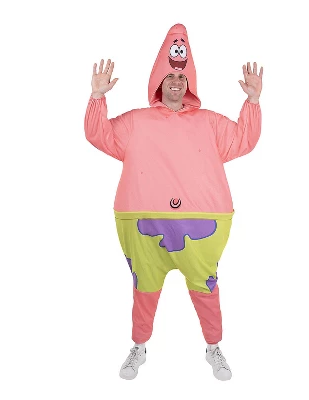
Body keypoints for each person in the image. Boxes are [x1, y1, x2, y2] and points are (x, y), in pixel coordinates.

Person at [84, 23, 262, 381]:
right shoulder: (136, 122)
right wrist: (97, 97)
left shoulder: (210, 123)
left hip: (201, 224)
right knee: (144, 288)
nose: (176, 82)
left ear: (189, 82)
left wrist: (253, 102)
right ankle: (139, 346)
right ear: (158, 82)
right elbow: (99, 135)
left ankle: (213, 347)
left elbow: (243, 140)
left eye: (182, 77)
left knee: (206, 287)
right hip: (145, 223)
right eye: (169, 77)